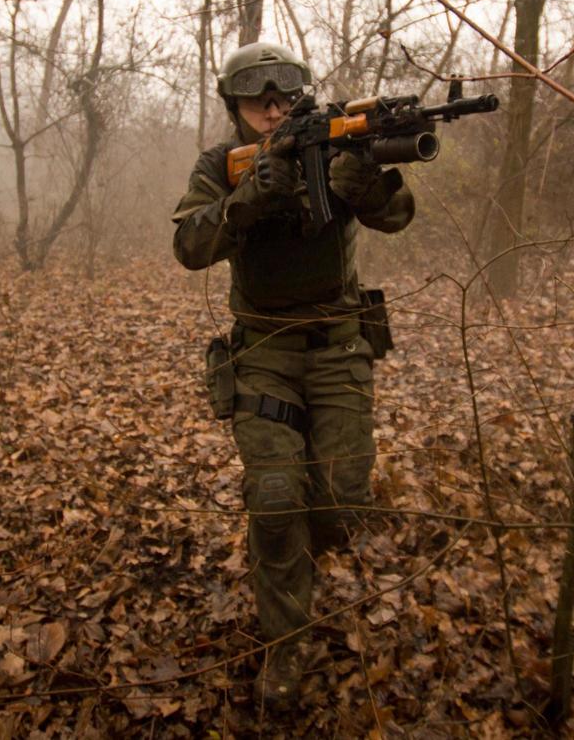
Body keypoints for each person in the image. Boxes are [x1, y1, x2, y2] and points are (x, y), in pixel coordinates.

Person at [171, 41, 415, 708]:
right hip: (263, 352)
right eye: (258, 100)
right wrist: (244, 202)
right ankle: (287, 644)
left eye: (283, 98)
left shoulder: (337, 142)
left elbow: (395, 216)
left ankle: (303, 551)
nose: (272, 110)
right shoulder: (221, 165)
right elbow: (189, 245)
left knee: (340, 502)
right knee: (277, 500)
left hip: (339, 346)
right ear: (236, 106)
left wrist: (366, 183)